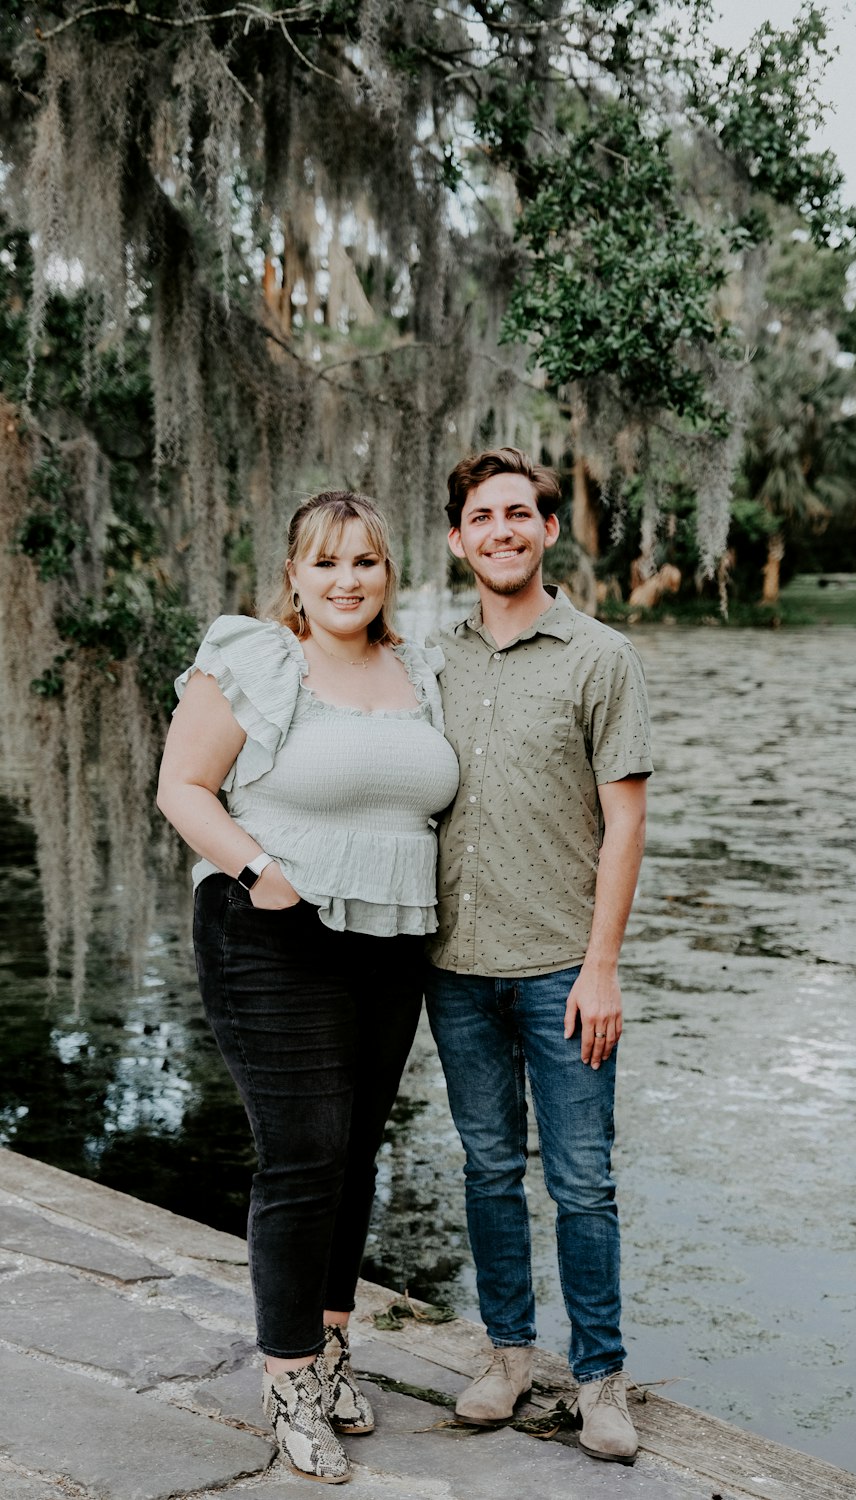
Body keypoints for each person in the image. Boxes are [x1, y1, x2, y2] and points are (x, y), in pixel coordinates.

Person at [157, 491, 460, 1484]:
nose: (345, 581)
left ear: (387, 574)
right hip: (271, 935)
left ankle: (331, 1351)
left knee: (356, 1154)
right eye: (325, 563)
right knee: (302, 1154)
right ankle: (287, 1385)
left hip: (392, 939)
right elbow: (183, 788)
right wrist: (258, 874)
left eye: (364, 563)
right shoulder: (254, 657)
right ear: (293, 574)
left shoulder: (419, 671)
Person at [425, 447, 652, 1466]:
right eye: (483, 517)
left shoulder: (600, 657)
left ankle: (599, 1378)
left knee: (582, 1183)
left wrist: (601, 967)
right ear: (457, 538)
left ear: (548, 531)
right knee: (484, 1169)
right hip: (455, 964)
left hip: (564, 967)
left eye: (520, 514)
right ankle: (508, 1356)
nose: (503, 530)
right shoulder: (436, 657)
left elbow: (626, 825)